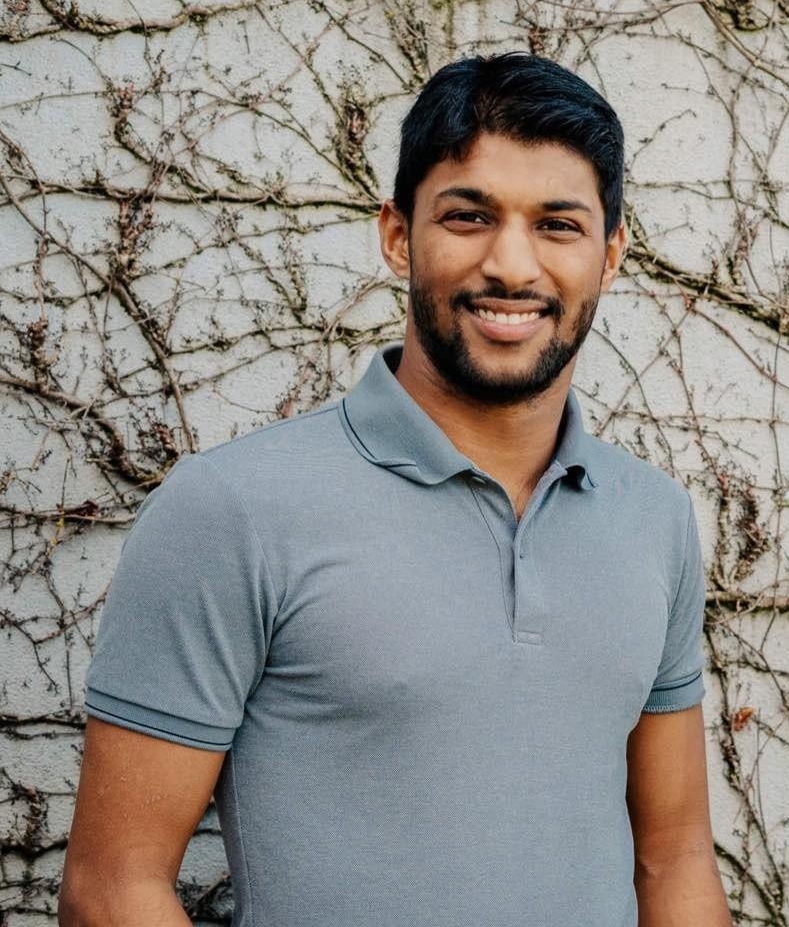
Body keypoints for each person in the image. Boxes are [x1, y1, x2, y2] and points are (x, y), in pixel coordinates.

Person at [60, 53, 732, 927]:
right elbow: (111, 889)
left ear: (610, 256)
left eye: (557, 225)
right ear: (397, 236)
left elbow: (675, 862)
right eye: (468, 216)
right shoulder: (233, 508)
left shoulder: (655, 518)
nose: (511, 265)